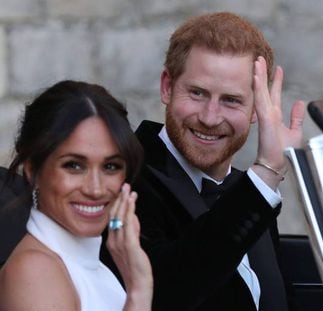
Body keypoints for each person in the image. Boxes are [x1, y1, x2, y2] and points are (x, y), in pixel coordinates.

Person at [100, 12, 305, 311]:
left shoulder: (248, 191)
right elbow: (164, 293)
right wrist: (266, 173)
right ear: (167, 87)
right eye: (197, 93)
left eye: (231, 100)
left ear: (255, 111)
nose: (210, 117)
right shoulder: (123, 178)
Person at [0, 81, 153, 310]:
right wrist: (139, 293)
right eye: (74, 166)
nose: (95, 189)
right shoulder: (34, 271)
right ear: (33, 170)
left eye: (110, 167)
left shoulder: (87, 264)